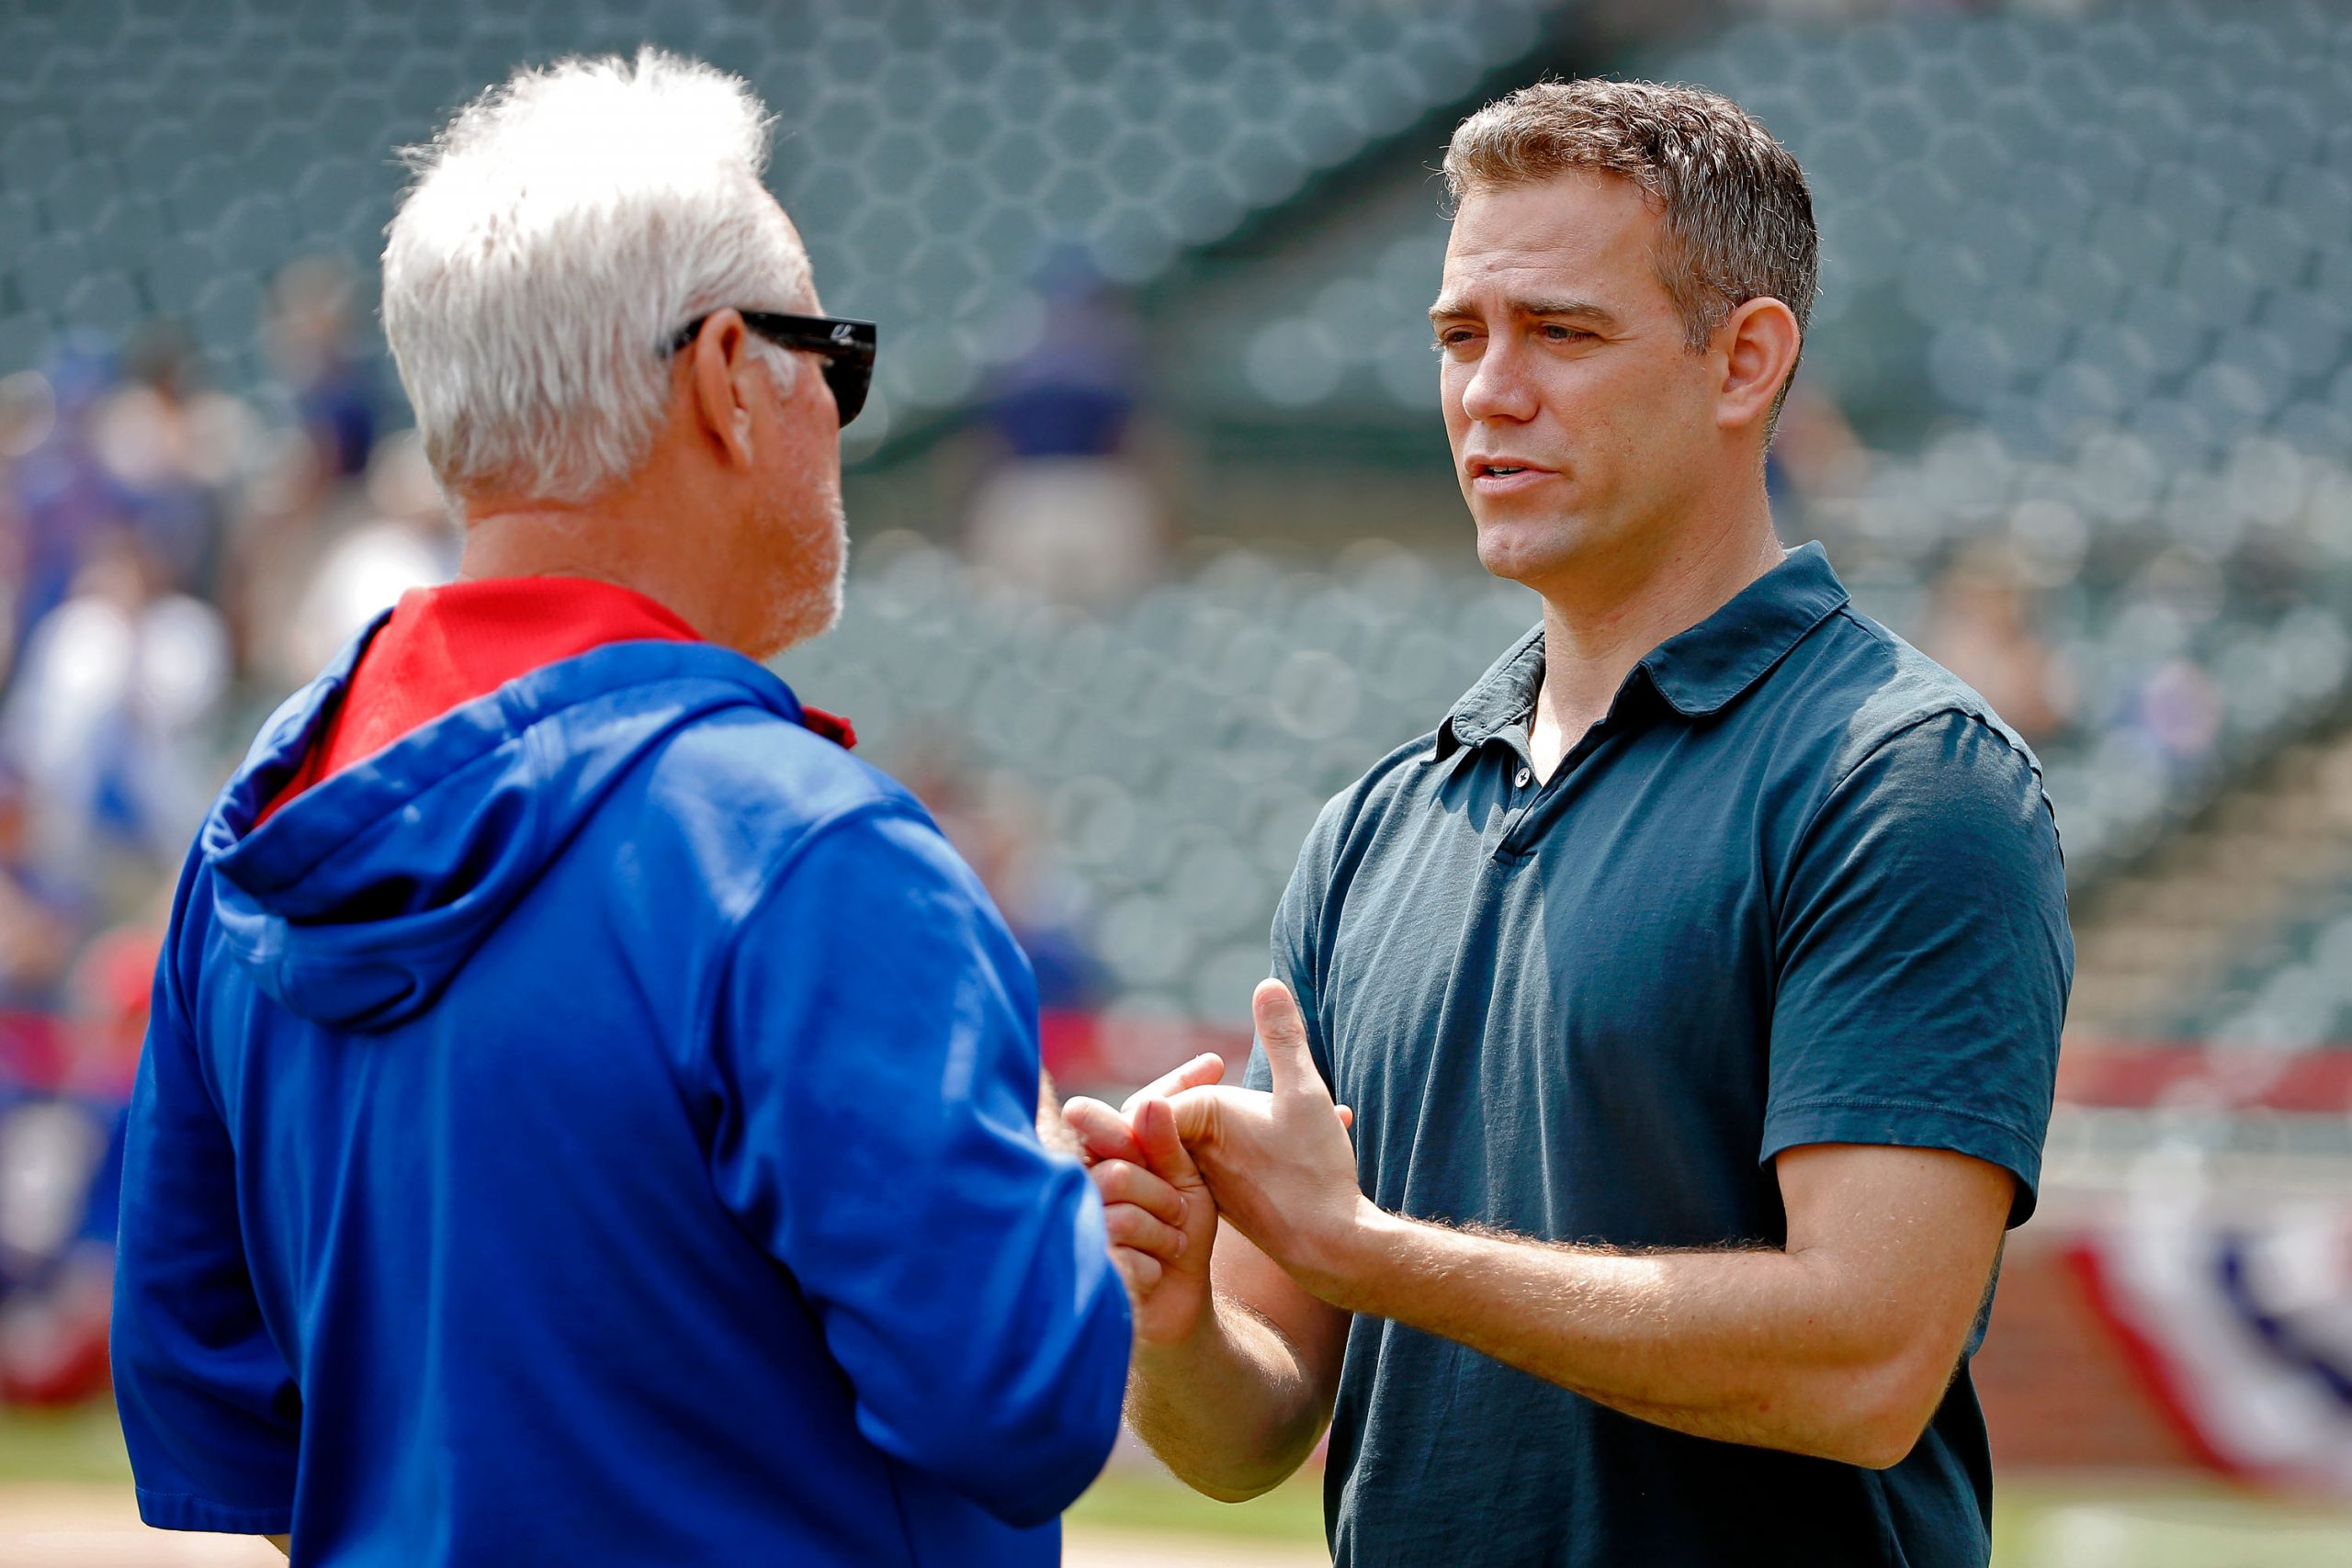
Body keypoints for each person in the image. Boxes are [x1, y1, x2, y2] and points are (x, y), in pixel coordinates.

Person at [110, 52, 1135, 1565]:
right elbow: (1021, 1404)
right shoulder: (801, 845)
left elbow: (215, 1413)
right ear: (730, 376)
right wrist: (1052, 1168)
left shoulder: (263, 816)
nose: (837, 415)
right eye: (826, 358)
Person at [1069, 80, 2073, 1567]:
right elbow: (1249, 1439)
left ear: (1744, 362)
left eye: (1562, 332)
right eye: (1460, 336)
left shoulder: (1907, 780)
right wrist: (1173, 1309)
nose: (1489, 390)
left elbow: (1864, 1362)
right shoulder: (1377, 827)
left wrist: (1377, 1255)